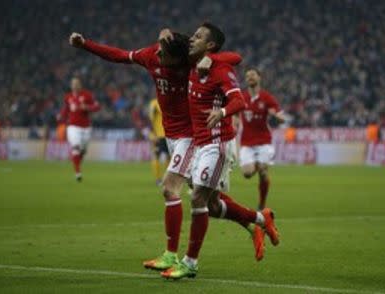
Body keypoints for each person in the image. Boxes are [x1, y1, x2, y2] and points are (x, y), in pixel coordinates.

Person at [69, 31, 266, 270]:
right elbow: (119, 55)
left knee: (170, 189)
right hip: (171, 136)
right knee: (211, 203)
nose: (158, 53)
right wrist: (84, 44)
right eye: (159, 49)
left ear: (179, 58)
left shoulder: (191, 61)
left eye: (164, 52)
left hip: (191, 136)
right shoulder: (152, 55)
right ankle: (257, 220)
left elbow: (234, 57)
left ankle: (172, 255)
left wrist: (211, 60)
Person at [161, 23, 280, 280]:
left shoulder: (220, 69)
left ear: (211, 45)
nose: (192, 39)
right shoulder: (193, 63)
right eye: (192, 35)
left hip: (217, 143)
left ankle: (189, 263)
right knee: (213, 206)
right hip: (201, 143)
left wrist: (222, 111)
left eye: (199, 37)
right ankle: (261, 218)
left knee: (197, 199)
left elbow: (240, 99)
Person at [239, 68, 285, 210]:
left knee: (264, 173)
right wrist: (234, 121)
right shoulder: (241, 97)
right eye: (247, 76)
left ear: (259, 78)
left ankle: (262, 203)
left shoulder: (267, 97)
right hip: (246, 142)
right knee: (247, 173)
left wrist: (276, 116)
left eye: (253, 75)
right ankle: (261, 164)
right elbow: (233, 112)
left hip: (264, 141)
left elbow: (281, 117)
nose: (250, 77)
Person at [57, 76, 100, 182]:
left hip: (86, 127)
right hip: (73, 127)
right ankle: (78, 173)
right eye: (73, 84)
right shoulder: (68, 97)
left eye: (77, 83)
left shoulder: (87, 95)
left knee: (83, 151)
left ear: (80, 85)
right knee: (76, 148)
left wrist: (88, 108)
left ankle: (77, 165)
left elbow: (97, 107)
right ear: (71, 85)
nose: (75, 85)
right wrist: (61, 116)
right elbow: (66, 109)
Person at [148, 97, 170, 185]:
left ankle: (165, 178)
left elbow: (150, 119)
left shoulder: (154, 103)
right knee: (158, 156)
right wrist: (153, 134)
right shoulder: (155, 103)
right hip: (160, 135)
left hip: (166, 135)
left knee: (167, 157)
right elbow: (151, 119)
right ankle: (159, 179)